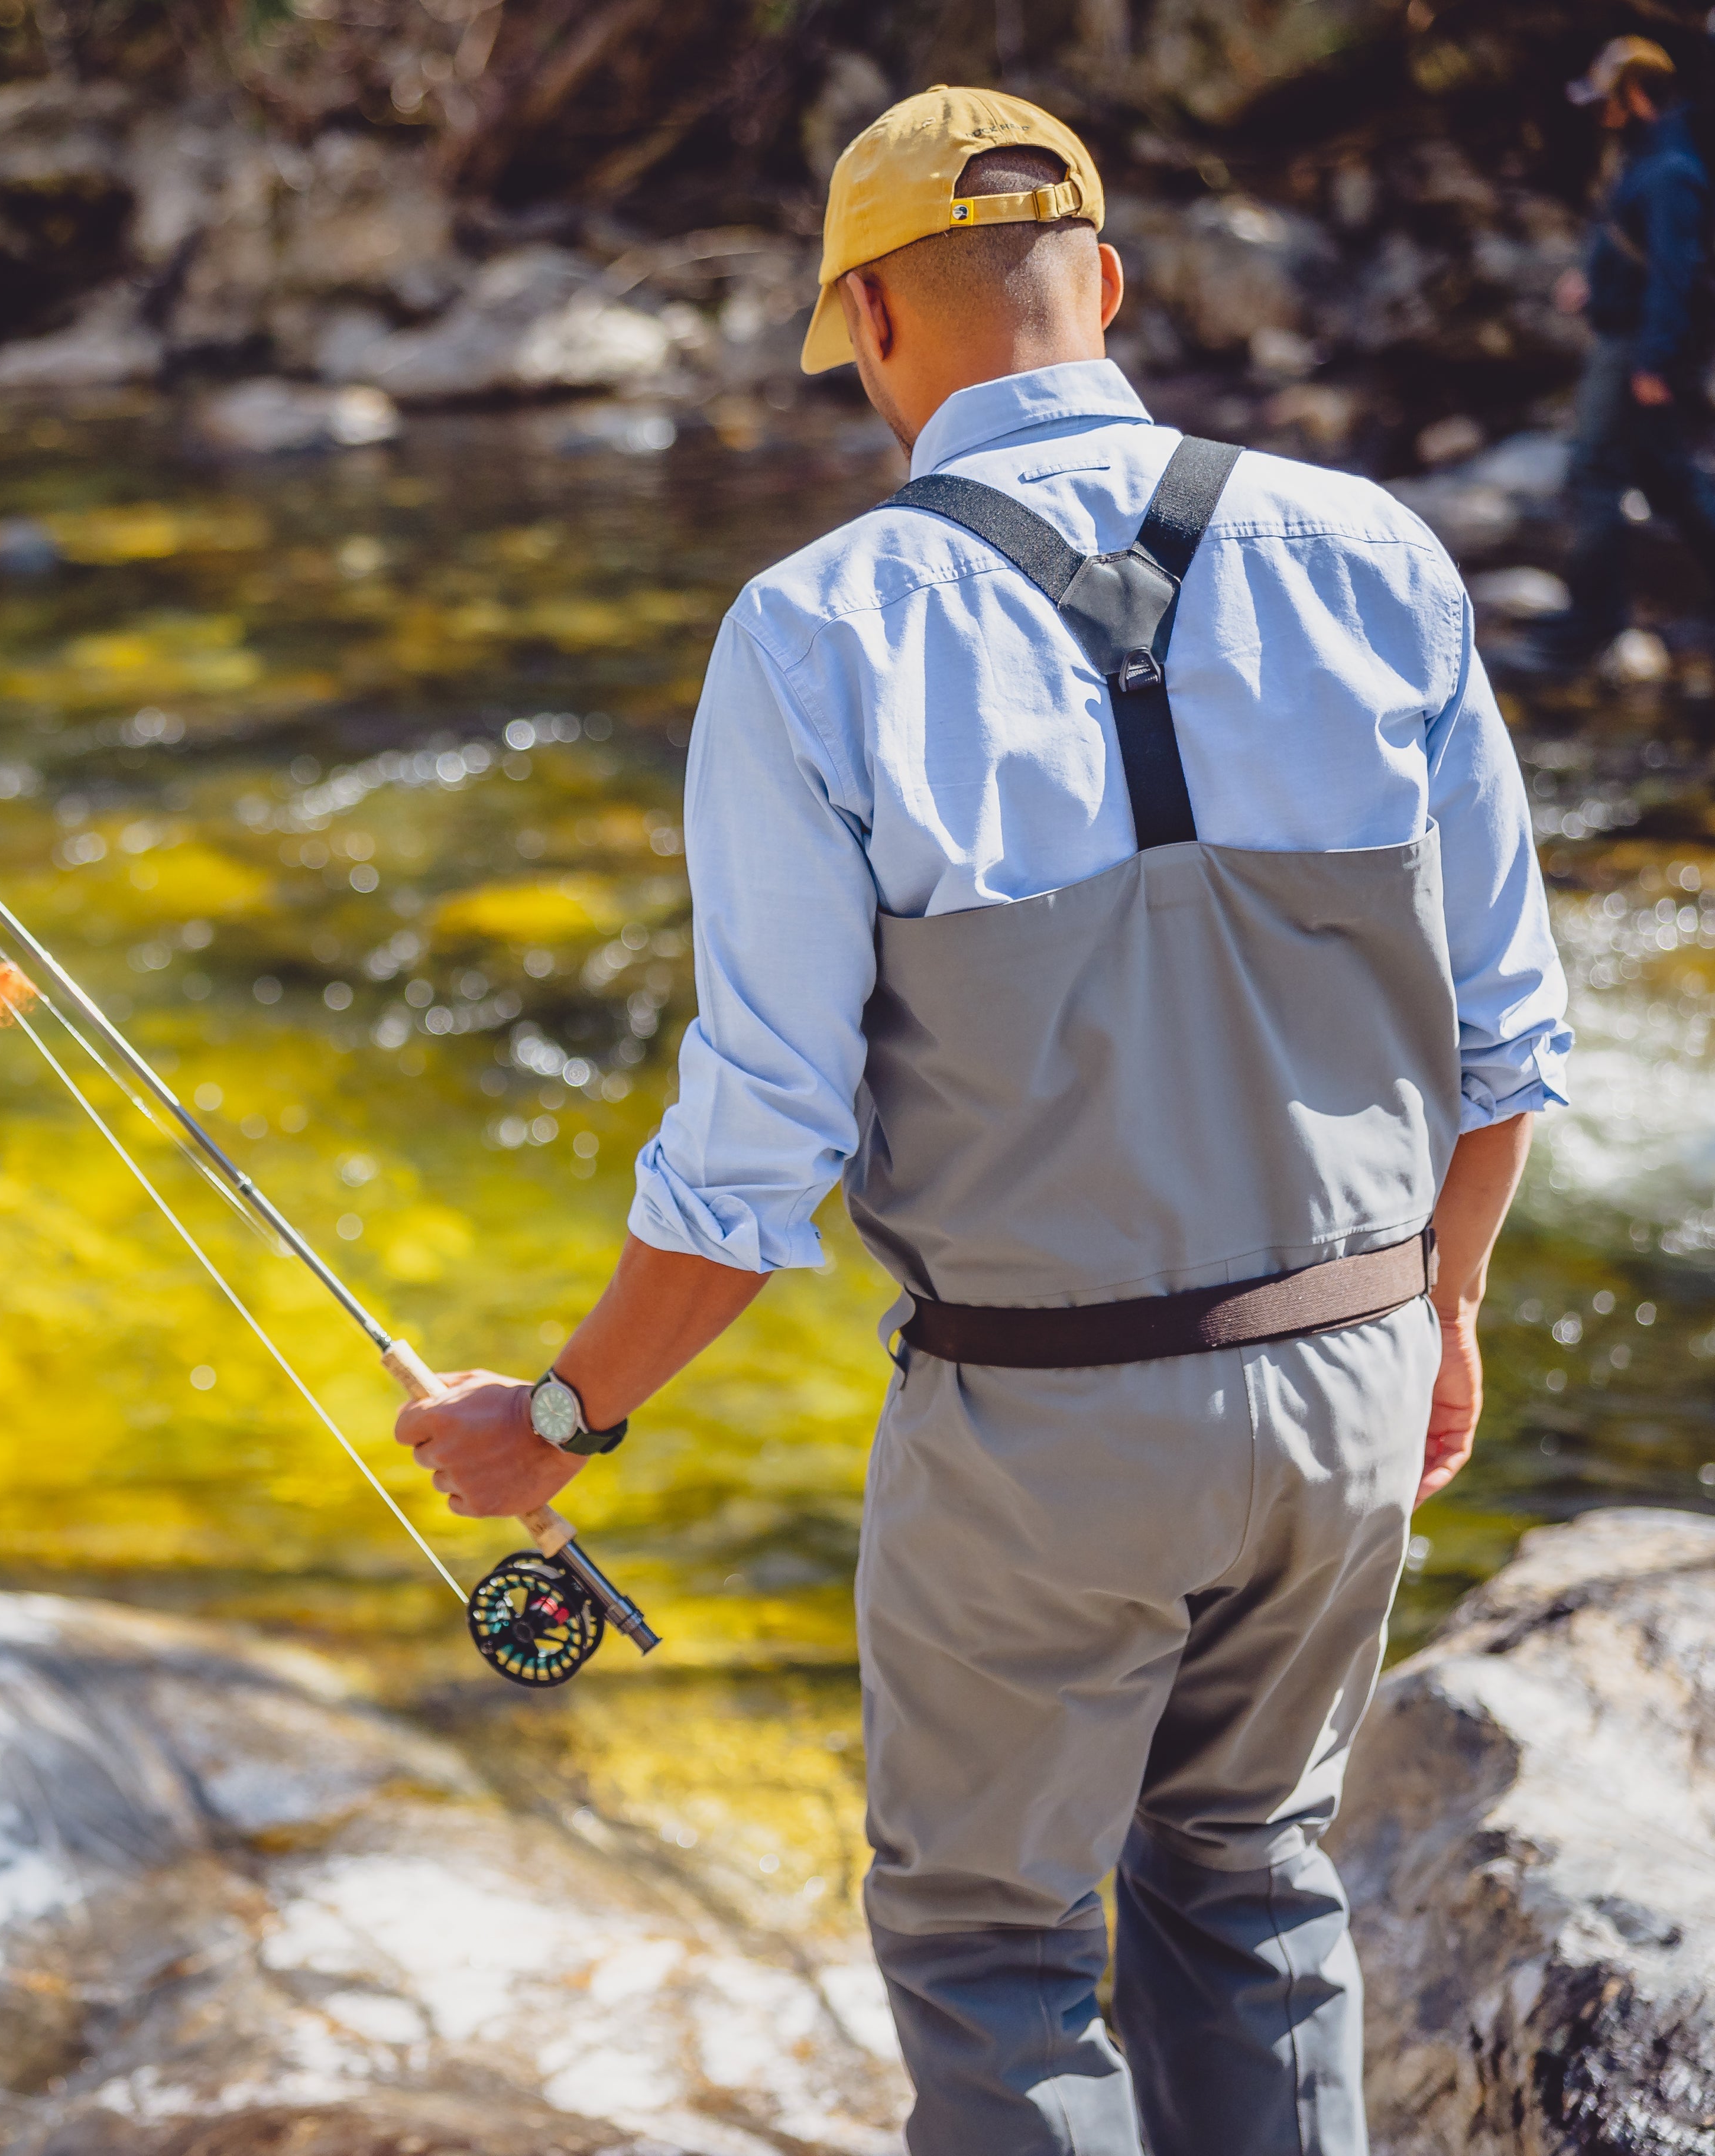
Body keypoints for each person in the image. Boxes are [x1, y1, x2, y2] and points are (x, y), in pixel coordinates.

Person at [395, 87, 1570, 2154]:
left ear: (864, 321)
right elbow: (1507, 1038)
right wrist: (1446, 1311)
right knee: (1252, 1883)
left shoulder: (817, 629)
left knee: (995, 1941)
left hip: (1045, 1427)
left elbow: (761, 1144)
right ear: (1104, 285)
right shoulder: (1376, 550)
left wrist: (564, 1417)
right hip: (1357, 1372)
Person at [1521, 34, 1715, 676]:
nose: (1598, 110)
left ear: (1634, 96)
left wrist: (1654, 362)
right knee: (1669, 480)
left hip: (1636, 350)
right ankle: (1598, 617)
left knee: (1594, 473)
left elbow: (1675, 274)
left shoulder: (1671, 172)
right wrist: (1592, 284)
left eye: (1607, 98)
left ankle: (1592, 623)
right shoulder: (1644, 159)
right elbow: (1632, 250)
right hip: (1628, 339)